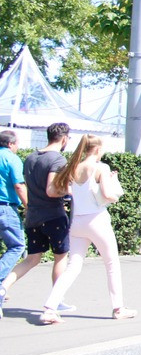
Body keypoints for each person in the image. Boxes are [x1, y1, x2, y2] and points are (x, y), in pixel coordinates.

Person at [42, 135, 136, 323]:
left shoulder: (74, 167)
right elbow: (108, 194)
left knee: (73, 266)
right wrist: (115, 189)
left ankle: (50, 307)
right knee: (111, 264)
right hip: (97, 220)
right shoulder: (101, 167)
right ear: (98, 149)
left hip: (77, 222)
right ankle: (118, 308)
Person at [1, 122, 72, 313]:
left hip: (33, 216)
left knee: (31, 259)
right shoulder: (58, 160)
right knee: (61, 258)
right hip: (53, 215)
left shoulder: (31, 157)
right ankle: (56, 300)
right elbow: (51, 189)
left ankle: (2, 287)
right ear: (64, 139)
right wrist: (69, 191)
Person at [0, 130, 28, 319]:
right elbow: (19, 185)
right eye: (17, 144)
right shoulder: (12, 158)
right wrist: (29, 206)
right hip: (5, 207)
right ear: (11, 144)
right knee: (17, 245)